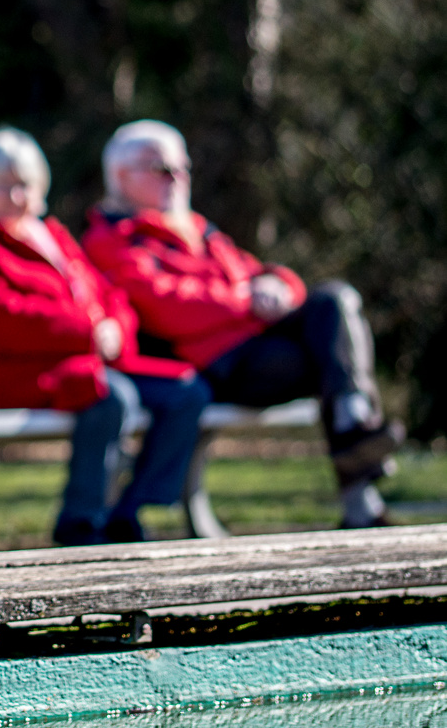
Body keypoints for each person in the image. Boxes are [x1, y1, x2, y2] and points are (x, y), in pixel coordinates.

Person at [82, 120, 403, 529]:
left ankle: (353, 420)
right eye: (162, 169)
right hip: (215, 366)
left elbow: (259, 272)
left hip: (260, 344)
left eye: (183, 168)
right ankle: (359, 481)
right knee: (327, 359)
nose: (177, 179)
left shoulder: (199, 229)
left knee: (335, 299)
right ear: (121, 176)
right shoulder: (112, 238)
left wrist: (280, 286)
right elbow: (169, 307)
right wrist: (250, 300)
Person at [0, 127, 211, 546]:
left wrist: (116, 327)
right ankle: (80, 521)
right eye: (2, 186)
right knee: (110, 395)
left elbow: (105, 291)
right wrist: (88, 332)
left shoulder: (52, 235)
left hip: (83, 363)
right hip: (19, 374)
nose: (15, 197)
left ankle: (133, 508)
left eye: (23, 185)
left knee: (186, 391)